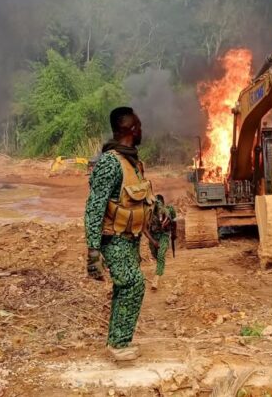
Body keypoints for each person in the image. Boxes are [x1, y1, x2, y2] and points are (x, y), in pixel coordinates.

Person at [84, 107, 154, 361]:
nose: (141, 129)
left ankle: (118, 341)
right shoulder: (110, 163)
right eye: (139, 125)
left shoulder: (132, 162)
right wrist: (93, 250)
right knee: (133, 284)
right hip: (113, 239)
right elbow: (94, 206)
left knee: (126, 286)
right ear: (131, 130)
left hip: (129, 238)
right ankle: (119, 345)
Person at [148, 194, 176, 291]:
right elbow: (144, 229)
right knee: (155, 255)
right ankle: (160, 266)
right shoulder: (148, 213)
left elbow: (172, 220)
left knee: (160, 255)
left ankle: (156, 279)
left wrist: (171, 230)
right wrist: (152, 241)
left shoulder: (166, 210)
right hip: (152, 237)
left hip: (163, 235)